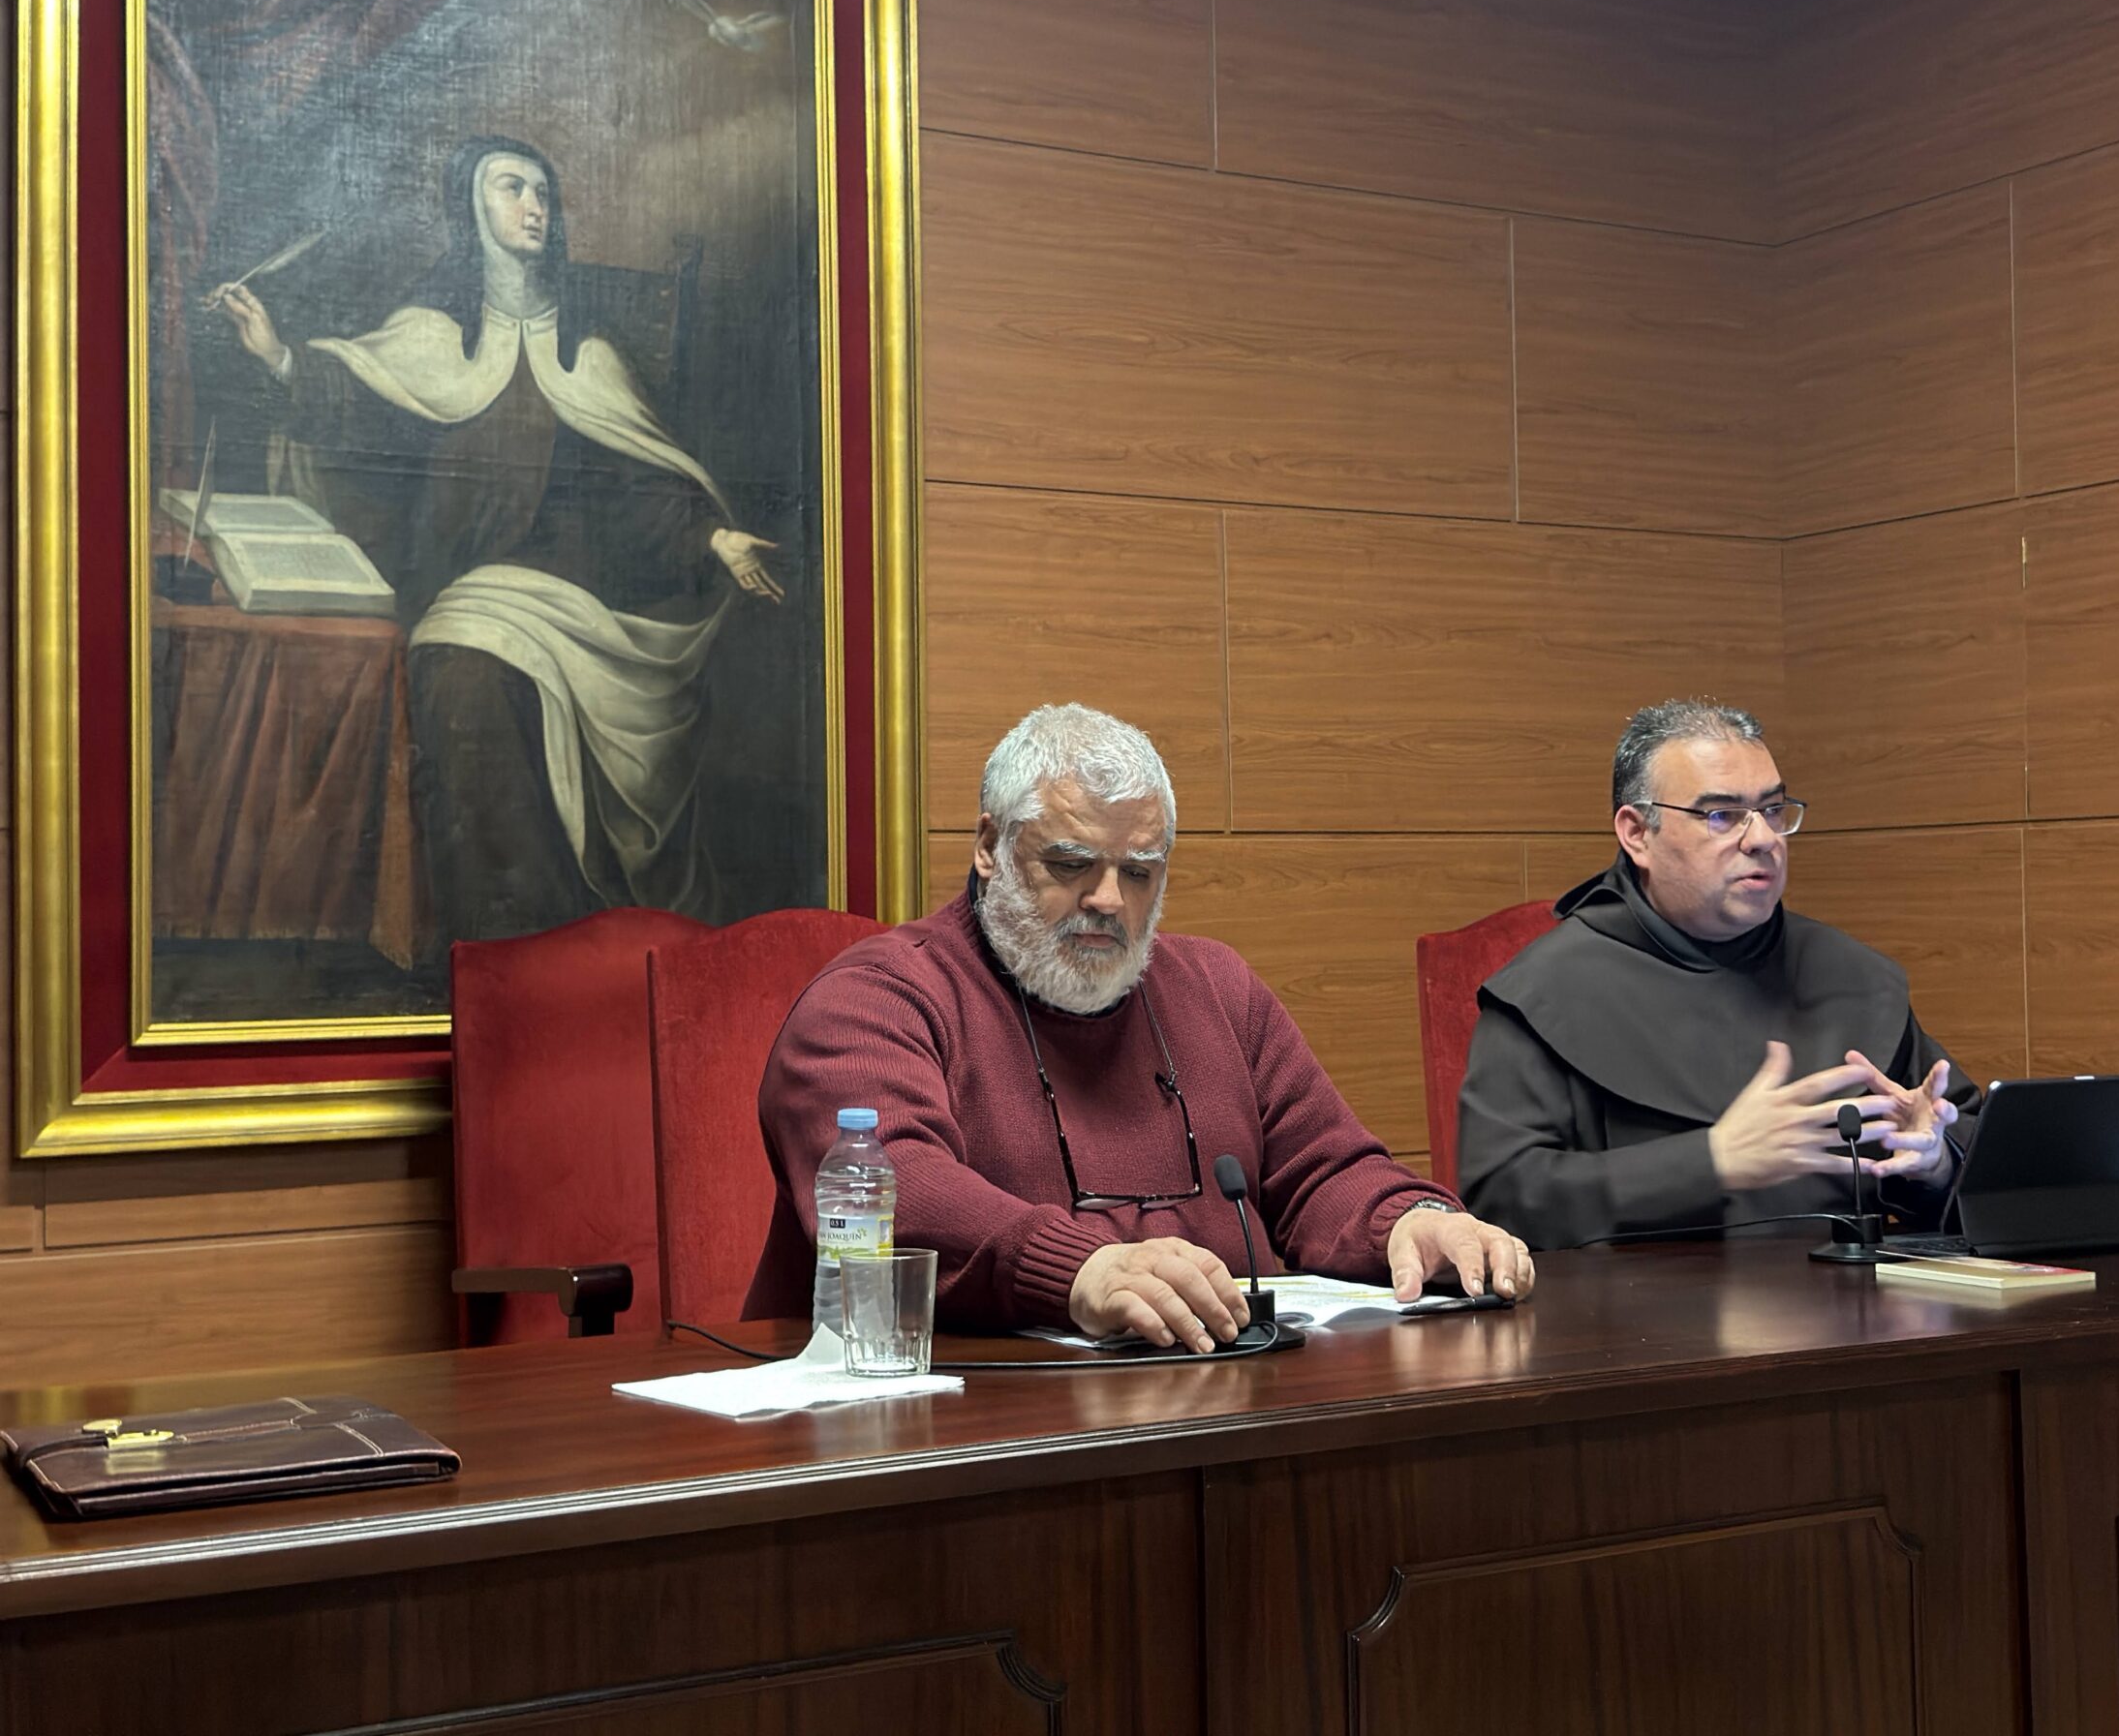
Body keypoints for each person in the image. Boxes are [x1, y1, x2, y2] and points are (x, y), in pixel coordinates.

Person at [748, 703, 1536, 1349]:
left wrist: (1410, 1221)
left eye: (1138, 872)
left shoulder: (1217, 987)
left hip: (1223, 1395)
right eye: (1071, 865)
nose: (1108, 901)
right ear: (990, 846)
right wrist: (1080, 1271)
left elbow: (1323, 1169)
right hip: (958, 1425)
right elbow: (894, 1188)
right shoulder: (875, 998)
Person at [209, 136, 783, 943]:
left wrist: (713, 539)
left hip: (585, 599)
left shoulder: (588, 355)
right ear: (470, 208)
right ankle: (504, 944)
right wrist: (277, 358)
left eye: (543, 192)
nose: (533, 207)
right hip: (466, 590)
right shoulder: (428, 337)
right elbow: (362, 416)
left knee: (473, 666)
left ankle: (562, 941)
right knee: (463, 671)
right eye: (512, 188)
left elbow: (637, 489)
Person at [1457, 698, 1979, 1250]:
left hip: (1855, 1297)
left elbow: (1974, 1147)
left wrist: (1936, 1162)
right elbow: (1503, 1199)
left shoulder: (1853, 975)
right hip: (1638, 1302)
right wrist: (1709, 1162)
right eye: (1722, 815)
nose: (1763, 839)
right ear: (1637, 833)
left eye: (1772, 810)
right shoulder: (1547, 990)